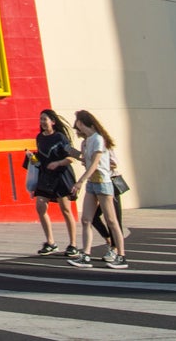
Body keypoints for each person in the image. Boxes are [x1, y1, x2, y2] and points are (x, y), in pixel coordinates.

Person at [67, 110, 127, 268]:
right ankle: (86, 254)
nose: (77, 126)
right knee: (86, 219)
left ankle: (121, 255)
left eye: (78, 122)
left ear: (83, 122)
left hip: (103, 183)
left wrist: (80, 181)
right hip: (92, 183)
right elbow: (89, 163)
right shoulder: (87, 142)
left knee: (112, 221)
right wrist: (79, 156)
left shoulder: (98, 139)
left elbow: (95, 164)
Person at [27, 109, 80, 255]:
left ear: (53, 122)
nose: (42, 122)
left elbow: (70, 158)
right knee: (40, 206)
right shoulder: (39, 138)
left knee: (66, 209)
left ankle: (73, 244)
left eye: (45, 119)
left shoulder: (60, 137)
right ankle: (50, 242)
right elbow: (42, 157)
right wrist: (33, 159)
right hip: (45, 176)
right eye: (41, 119)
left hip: (61, 176)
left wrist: (58, 163)